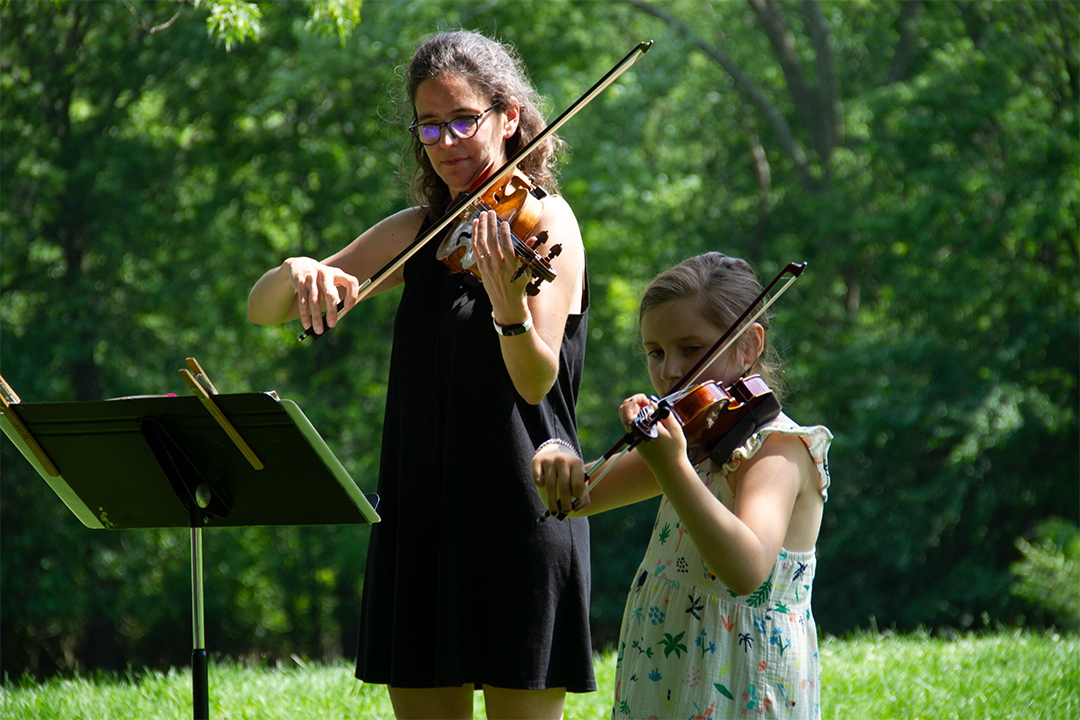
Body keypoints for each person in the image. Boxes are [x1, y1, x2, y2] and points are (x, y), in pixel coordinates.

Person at [247, 29, 594, 720]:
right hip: (422, 513)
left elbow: (534, 383)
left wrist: (507, 307)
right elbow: (265, 310)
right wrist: (300, 271)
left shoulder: (547, 221)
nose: (447, 142)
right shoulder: (419, 230)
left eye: (464, 120)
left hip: (518, 512)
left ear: (509, 116)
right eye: (430, 126)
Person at [532, 253, 832, 719]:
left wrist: (673, 468)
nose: (670, 370)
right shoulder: (692, 440)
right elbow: (577, 498)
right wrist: (555, 453)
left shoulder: (777, 449)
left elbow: (746, 570)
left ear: (748, 345)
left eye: (691, 349)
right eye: (655, 351)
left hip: (743, 676)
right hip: (667, 666)